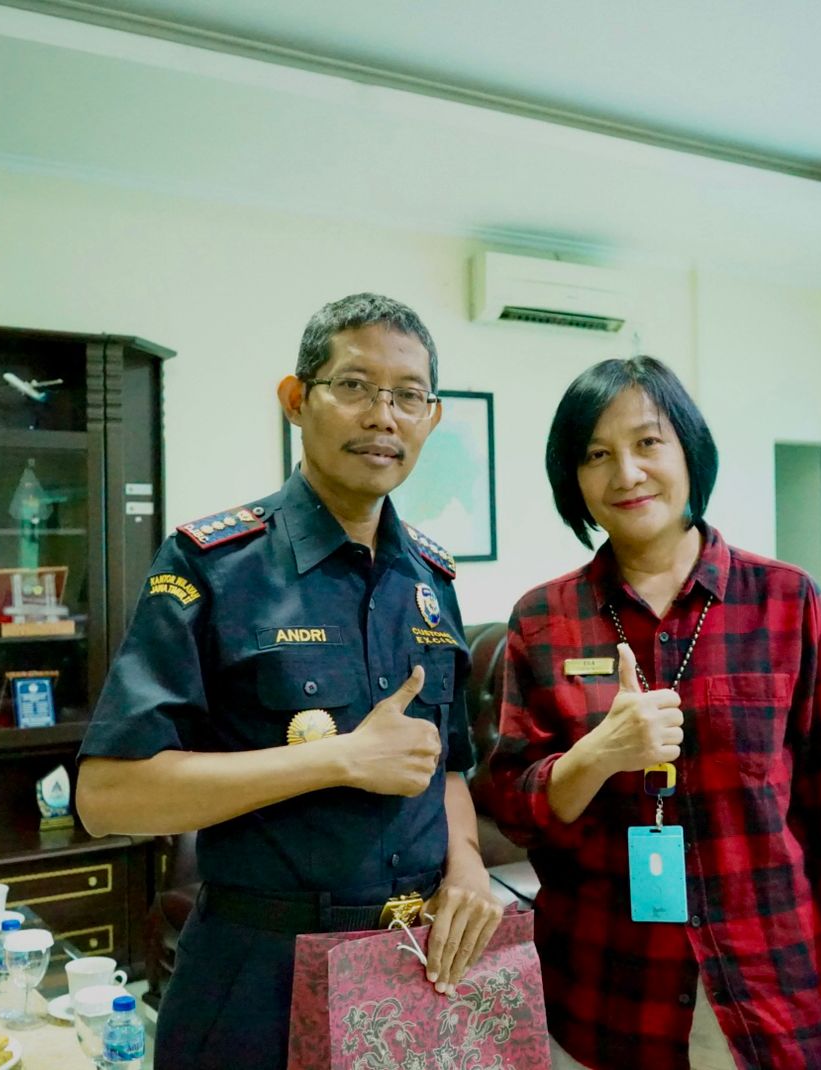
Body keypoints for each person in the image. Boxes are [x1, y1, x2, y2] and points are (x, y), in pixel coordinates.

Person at [76, 293, 504, 1069]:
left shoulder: (431, 579)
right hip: (258, 975)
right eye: (355, 386)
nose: (383, 416)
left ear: (431, 418)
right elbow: (108, 797)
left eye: (408, 396)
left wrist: (468, 862)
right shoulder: (213, 566)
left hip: (411, 969)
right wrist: (337, 759)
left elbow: (444, 768)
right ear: (296, 400)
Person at [489, 357, 821, 1070]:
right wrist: (598, 755)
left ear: (690, 450)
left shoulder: (786, 600)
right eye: (596, 455)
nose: (626, 473)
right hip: (606, 999)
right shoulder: (543, 618)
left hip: (772, 992)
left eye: (647, 443)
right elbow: (514, 807)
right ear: (574, 479)